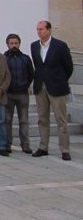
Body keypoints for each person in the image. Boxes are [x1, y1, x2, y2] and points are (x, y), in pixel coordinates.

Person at [31, 20, 74, 161]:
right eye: (37, 29)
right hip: (40, 86)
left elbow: (68, 67)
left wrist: (59, 79)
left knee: (60, 119)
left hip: (56, 86)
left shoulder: (60, 46)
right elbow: (38, 66)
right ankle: (43, 147)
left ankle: (65, 149)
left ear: (49, 30)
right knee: (42, 118)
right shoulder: (34, 46)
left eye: (42, 29)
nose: (39, 32)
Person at [4, 33, 34, 154]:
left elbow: (31, 74)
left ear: (19, 44)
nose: (14, 45)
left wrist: (25, 85)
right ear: (7, 44)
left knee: (24, 120)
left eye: (16, 43)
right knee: (7, 120)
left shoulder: (26, 58)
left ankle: (25, 145)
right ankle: (7, 144)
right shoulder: (3, 58)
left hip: (22, 94)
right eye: (11, 43)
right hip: (8, 94)